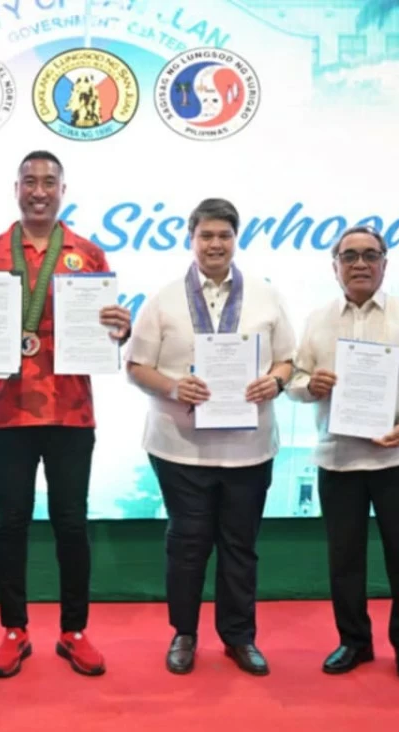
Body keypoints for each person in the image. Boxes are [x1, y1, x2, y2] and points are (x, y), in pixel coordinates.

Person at [0, 150, 131, 678]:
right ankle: (14, 630)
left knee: (71, 522)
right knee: (12, 522)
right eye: (30, 181)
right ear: (16, 187)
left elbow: (107, 330)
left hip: (72, 408)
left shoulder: (88, 254)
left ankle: (74, 631)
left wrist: (120, 327)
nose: (39, 190)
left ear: (63, 190)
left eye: (49, 182)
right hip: (10, 408)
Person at [125, 198, 296, 676]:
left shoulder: (266, 295)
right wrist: (175, 386)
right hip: (180, 445)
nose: (215, 244)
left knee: (240, 545)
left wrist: (276, 381)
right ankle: (184, 633)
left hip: (249, 447)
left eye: (224, 235)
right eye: (206, 235)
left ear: (235, 239)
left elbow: (289, 358)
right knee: (187, 542)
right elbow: (136, 367)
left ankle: (240, 637)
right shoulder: (162, 299)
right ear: (190, 238)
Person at [287, 224, 399, 685]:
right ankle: (354, 641)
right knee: (344, 558)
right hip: (338, 459)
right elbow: (296, 381)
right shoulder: (318, 319)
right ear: (335, 266)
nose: (360, 263)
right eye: (349, 256)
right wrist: (308, 385)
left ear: (385, 263)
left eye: (370, 255)